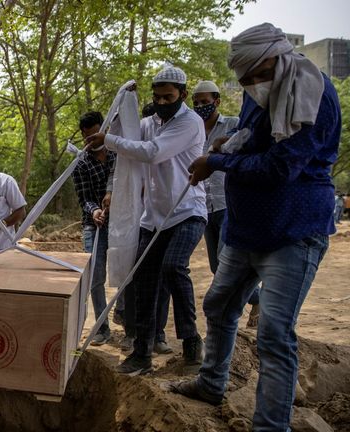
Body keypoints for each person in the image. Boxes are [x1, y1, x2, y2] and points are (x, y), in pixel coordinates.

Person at [172, 23, 340, 431]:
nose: (251, 86)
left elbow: (280, 167)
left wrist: (217, 162)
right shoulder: (257, 92)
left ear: (276, 59)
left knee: (274, 335)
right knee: (219, 305)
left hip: (292, 232)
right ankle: (212, 382)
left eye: (256, 77)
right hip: (245, 228)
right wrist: (224, 146)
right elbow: (250, 138)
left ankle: (269, 425)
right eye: (243, 81)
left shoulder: (312, 97)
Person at [87, 65, 207, 375]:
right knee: (142, 282)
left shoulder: (190, 123)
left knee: (173, 266)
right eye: (157, 97)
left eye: (169, 97)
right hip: (153, 217)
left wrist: (109, 140)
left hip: (187, 211)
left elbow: (152, 152)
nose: (163, 102)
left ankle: (191, 339)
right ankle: (141, 351)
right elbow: (126, 133)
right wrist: (123, 101)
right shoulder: (150, 122)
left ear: (182, 95)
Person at [191, 81, 261, 329]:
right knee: (215, 266)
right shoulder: (193, 130)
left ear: (217, 101)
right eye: (196, 102)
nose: (200, 106)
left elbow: (246, 139)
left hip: (227, 203)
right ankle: (257, 298)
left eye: (204, 101)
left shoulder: (232, 124)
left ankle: (253, 302)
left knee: (224, 265)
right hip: (204, 207)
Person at [71, 111, 115, 345]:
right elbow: (84, 197)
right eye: (87, 138)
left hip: (121, 224)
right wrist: (95, 211)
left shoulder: (119, 153)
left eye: (95, 135)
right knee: (96, 277)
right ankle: (101, 327)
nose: (91, 142)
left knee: (126, 272)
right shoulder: (81, 162)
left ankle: (127, 322)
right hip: (93, 225)